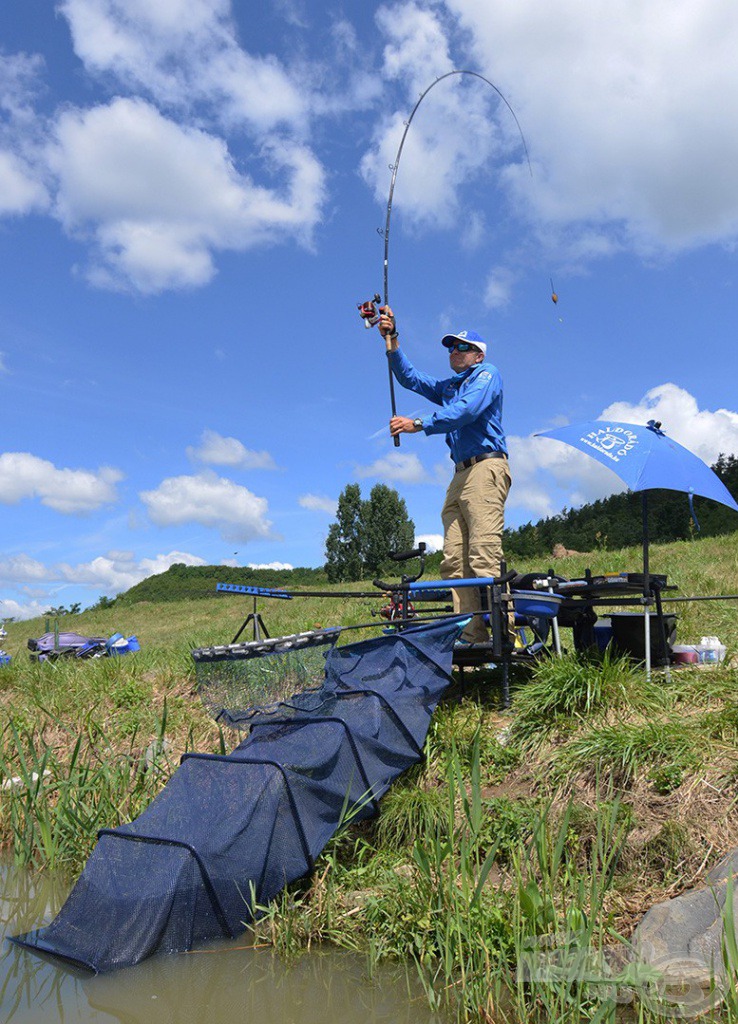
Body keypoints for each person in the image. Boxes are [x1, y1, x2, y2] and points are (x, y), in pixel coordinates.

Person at [378, 306, 511, 645]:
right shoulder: (450, 386)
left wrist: (418, 424)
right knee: (453, 561)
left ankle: (506, 641)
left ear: (478, 355)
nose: (454, 351)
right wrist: (392, 340)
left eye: (461, 347)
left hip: (485, 468)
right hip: (459, 475)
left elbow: (465, 412)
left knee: (483, 555)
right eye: (451, 347)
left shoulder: (487, 375)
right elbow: (411, 379)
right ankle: (472, 637)